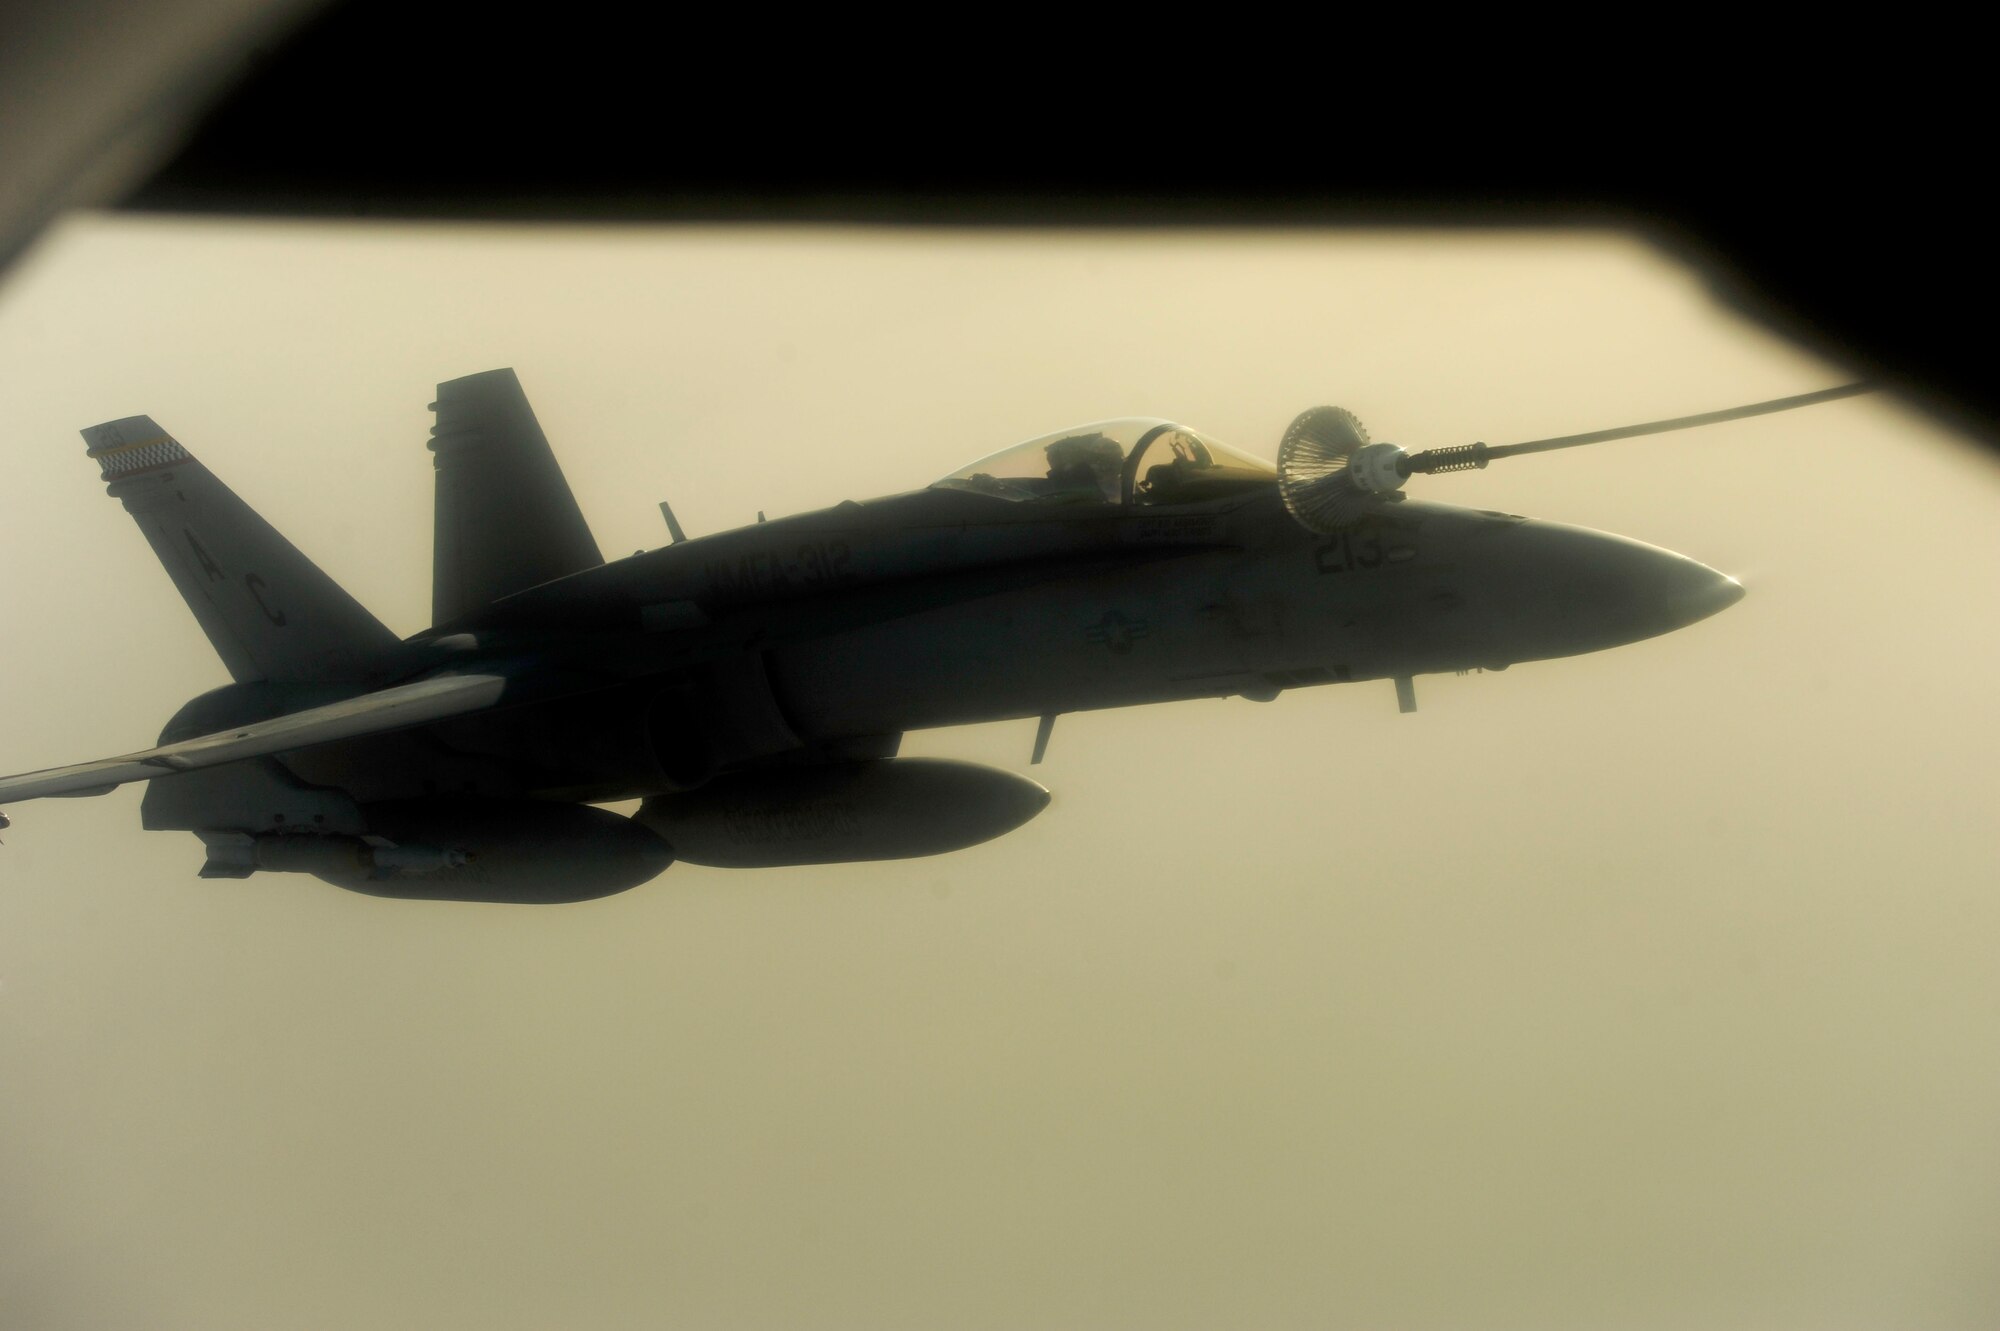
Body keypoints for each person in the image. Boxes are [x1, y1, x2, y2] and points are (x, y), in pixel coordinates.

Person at [1042, 433, 1123, 503]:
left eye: (1106, 459)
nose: (1101, 466)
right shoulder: (1075, 488)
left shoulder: (1126, 487)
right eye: (1095, 457)